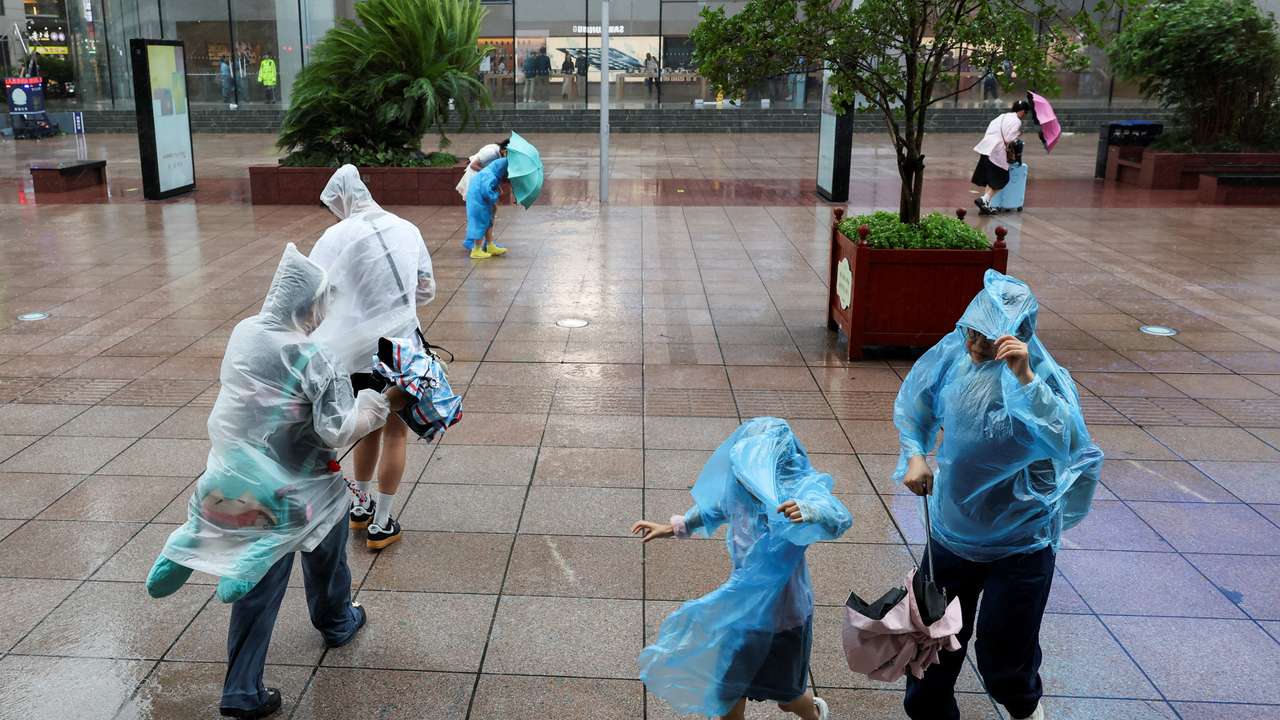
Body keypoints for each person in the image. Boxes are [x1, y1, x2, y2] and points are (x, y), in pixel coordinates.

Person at [147, 244, 407, 719]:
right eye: (319, 307)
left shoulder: (245, 331)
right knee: (305, 548)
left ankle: (185, 559)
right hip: (300, 483)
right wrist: (374, 402)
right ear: (307, 305)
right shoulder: (313, 354)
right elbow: (335, 428)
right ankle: (334, 622)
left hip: (233, 471)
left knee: (248, 546)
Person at [894, 270, 1103, 720]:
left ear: (1017, 336)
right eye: (970, 332)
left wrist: (1024, 377)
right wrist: (914, 455)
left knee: (1006, 658)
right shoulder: (952, 358)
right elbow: (915, 406)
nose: (973, 345)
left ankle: (1026, 710)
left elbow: (1072, 445)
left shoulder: (1042, 378)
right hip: (953, 534)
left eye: (986, 339)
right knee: (932, 652)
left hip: (1021, 544)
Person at [633, 417, 851, 720]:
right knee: (727, 693)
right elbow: (715, 508)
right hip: (742, 613)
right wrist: (675, 527)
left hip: (786, 617)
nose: (746, 478)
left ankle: (813, 712)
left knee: (787, 697)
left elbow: (838, 515)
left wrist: (810, 510)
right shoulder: (740, 488)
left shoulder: (796, 491)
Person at [309, 165, 437, 551]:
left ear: (341, 201)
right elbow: (426, 289)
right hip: (401, 350)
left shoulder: (336, 235)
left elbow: (314, 290)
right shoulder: (407, 228)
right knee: (397, 432)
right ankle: (383, 522)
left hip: (357, 356)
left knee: (366, 425)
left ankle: (360, 506)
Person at [971, 99, 1028, 215]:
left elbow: (991, 128)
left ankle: (986, 204)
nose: (1025, 116)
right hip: (998, 152)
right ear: (1022, 111)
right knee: (1002, 179)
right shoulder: (1017, 121)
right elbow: (1009, 139)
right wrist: (1018, 133)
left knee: (991, 179)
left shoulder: (1002, 116)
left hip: (987, 148)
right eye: (1025, 113)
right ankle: (984, 200)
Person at [463, 157, 509, 259]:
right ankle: (476, 250)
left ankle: (490, 245)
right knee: (480, 222)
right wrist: (496, 194)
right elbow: (486, 192)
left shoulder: (490, 173)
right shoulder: (489, 175)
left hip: (479, 200)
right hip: (478, 202)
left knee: (488, 222)